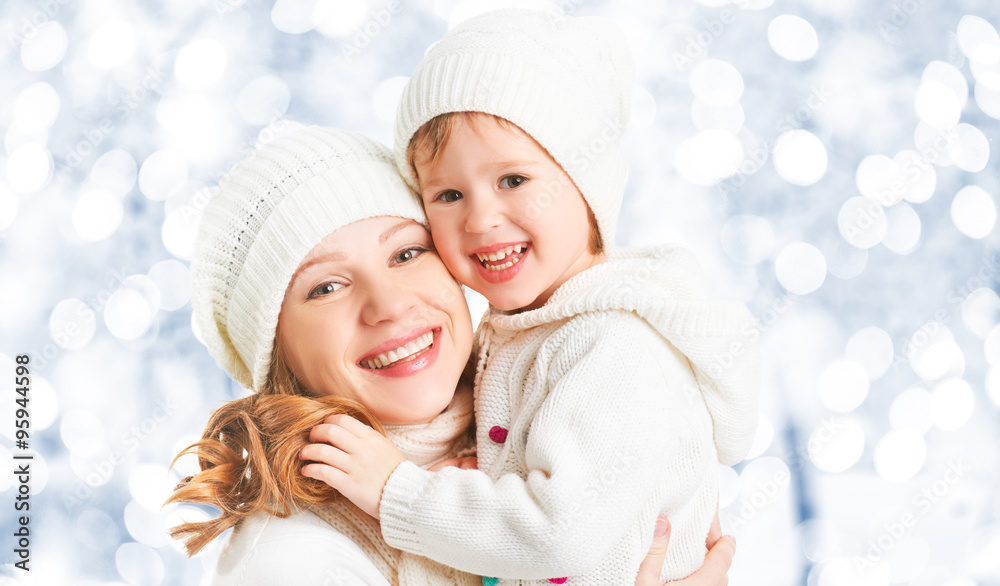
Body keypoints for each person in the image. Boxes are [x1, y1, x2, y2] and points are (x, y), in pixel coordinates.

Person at [301, 8, 760, 585]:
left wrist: (398, 492)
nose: (481, 218)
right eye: (446, 194)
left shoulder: (613, 345)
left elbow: (559, 536)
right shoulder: (528, 329)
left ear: (586, 183)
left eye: (513, 181)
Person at [166, 126, 734, 584]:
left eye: (407, 252)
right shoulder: (293, 562)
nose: (388, 304)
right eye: (327, 288)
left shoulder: (546, 405)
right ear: (277, 356)